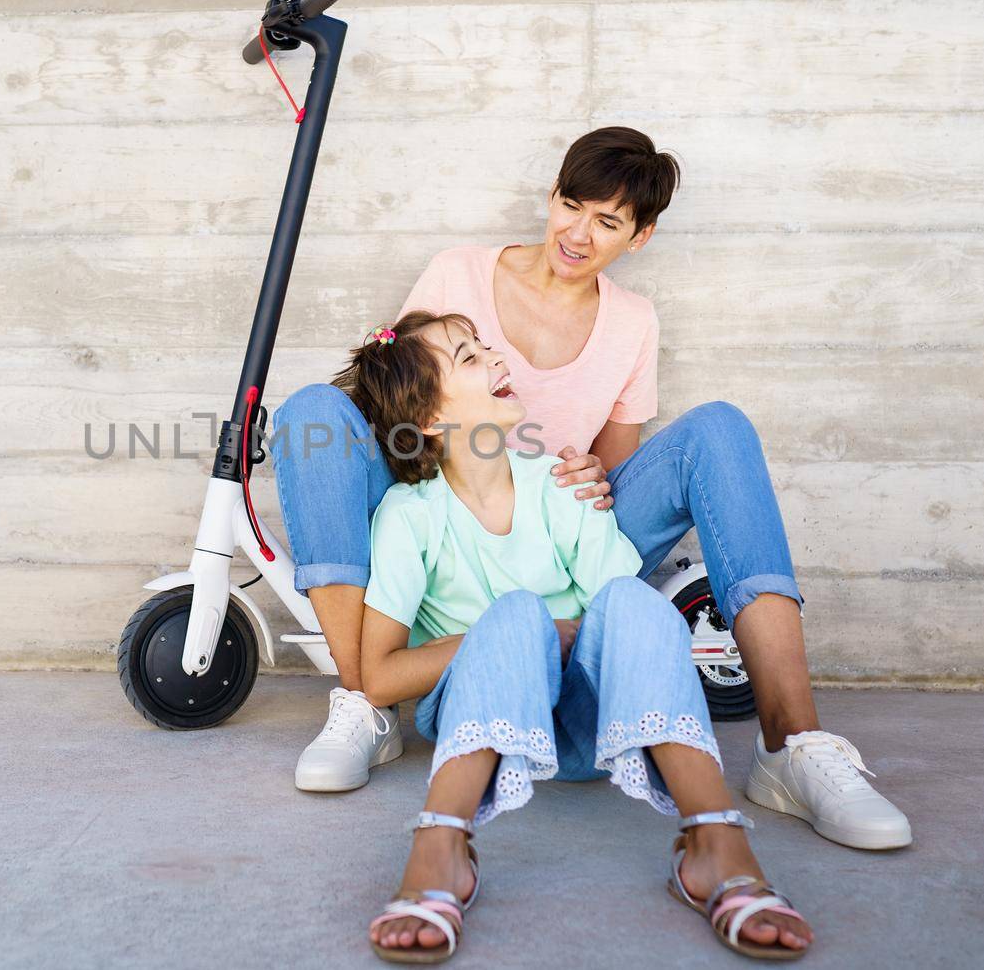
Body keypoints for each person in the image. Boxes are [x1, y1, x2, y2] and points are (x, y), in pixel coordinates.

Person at [271, 126, 911, 852]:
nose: (578, 233)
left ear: (639, 236)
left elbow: (611, 468)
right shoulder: (457, 277)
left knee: (718, 430)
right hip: (449, 499)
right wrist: (444, 483)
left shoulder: (633, 322)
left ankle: (792, 745)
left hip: (561, 524)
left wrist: (580, 477)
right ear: (551, 197)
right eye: (571, 205)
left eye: (607, 222)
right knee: (311, 416)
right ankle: (366, 698)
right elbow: (397, 402)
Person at [338, 311, 812, 962]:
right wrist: (524, 629)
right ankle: (440, 846)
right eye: (468, 357)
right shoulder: (409, 517)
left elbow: (624, 621)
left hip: (593, 728)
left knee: (631, 599)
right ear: (428, 421)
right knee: (517, 615)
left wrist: (566, 634)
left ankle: (714, 839)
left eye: (484, 344)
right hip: (480, 719)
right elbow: (381, 675)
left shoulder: (557, 487)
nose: (494, 357)